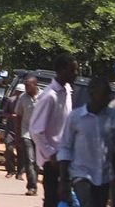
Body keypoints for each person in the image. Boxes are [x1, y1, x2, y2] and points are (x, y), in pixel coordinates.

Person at [58, 77, 115, 207]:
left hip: (104, 176)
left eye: (108, 94)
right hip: (81, 174)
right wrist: (63, 180)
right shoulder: (76, 117)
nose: (108, 98)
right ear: (92, 93)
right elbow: (65, 148)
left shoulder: (114, 117)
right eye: (104, 94)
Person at [31, 54, 78, 207]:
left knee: (65, 199)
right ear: (61, 71)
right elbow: (36, 130)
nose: (75, 74)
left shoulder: (67, 91)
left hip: (66, 157)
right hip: (53, 161)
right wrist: (51, 154)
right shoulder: (49, 96)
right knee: (52, 199)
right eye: (72, 70)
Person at [15, 75, 40, 196]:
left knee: (37, 162)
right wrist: (18, 135)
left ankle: (35, 181)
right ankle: (32, 186)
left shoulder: (44, 96)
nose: (26, 88)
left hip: (41, 134)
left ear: (35, 85)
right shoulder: (22, 98)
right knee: (30, 160)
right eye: (25, 85)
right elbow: (18, 116)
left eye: (28, 86)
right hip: (27, 133)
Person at [4, 83, 24, 179]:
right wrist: (11, 116)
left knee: (22, 152)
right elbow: (4, 113)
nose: (19, 94)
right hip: (10, 129)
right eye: (18, 92)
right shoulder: (10, 100)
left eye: (22, 93)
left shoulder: (26, 102)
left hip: (22, 130)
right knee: (9, 149)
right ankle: (10, 170)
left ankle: (20, 172)